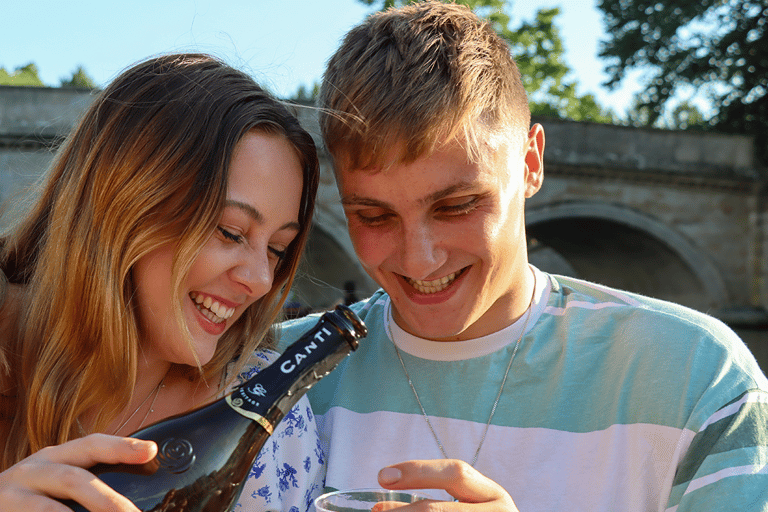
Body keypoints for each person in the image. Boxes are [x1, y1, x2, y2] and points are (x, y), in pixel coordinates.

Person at [276, 2, 768, 510]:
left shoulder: (697, 376)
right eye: (373, 216)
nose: (419, 260)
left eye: (458, 206)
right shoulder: (266, 374)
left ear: (531, 162)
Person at [0, 53, 324, 512]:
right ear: (125, 201)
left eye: (276, 250)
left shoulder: (267, 417)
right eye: (230, 232)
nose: (260, 280)